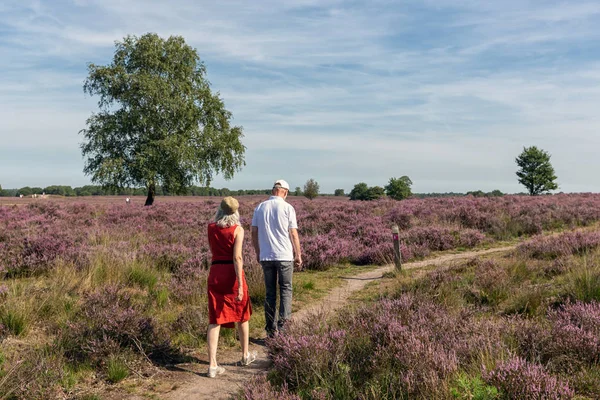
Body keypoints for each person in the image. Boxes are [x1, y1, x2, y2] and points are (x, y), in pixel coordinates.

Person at [206, 196, 255, 378]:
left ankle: (212, 365)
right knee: (242, 314)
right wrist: (241, 285)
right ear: (236, 212)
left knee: (215, 318)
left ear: (219, 209)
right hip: (232, 274)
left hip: (215, 272)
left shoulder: (211, 228)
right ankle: (245, 355)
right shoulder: (238, 230)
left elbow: (212, 249)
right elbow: (237, 258)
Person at [251, 179, 302, 337]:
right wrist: (298, 254)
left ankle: (270, 331)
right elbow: (293, 233)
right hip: (285, 256)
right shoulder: (288, 207)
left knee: (270, 293)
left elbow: (253, 232)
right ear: (285, 192)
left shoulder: (260, 207)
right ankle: (284, 329)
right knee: (286, 290)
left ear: (274, 190)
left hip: (266, 256)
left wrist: (258, 252)